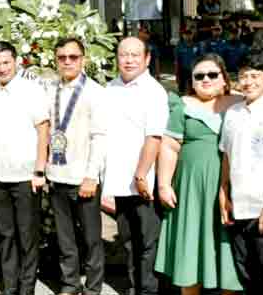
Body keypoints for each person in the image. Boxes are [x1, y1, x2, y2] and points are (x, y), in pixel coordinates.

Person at [154, 54, 243, 293]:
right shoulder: (182, 105)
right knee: (190, 250)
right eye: (199, 76)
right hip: (191, 190)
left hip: (230, 188)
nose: (206, 79)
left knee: (228, 254)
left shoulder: (241, 104)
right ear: (191, 81)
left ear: (224, 79)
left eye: (212, 75)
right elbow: (170, 146)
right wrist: (163, 184)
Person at [0, 41, 50, 295]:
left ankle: (27, 287)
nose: (2, 68)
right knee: (6, 235)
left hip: (27, 177)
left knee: (27, 236)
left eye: (6, 62)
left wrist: (40, 171)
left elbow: (43, 131)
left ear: (16, 61)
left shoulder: (32, 90)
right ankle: (10, 287)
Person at [102, 36, 169, 295]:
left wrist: (142, 175)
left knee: (148, 242)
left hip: (144, 182)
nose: (129, 60)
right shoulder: (111, 89)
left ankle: (149, 290)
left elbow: (154, 136)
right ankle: (133, 287)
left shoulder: (153, 91)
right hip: (119, 181)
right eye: (123, 55)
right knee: (129, 241)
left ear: (147, 58)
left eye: (135, 55)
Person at [218, 51, 263, 295]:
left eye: (255, 76)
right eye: (244, 76)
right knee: (246, 274)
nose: (249, 82)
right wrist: (223, 193)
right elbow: (226, 155)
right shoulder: (233, 114)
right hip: (238, 208)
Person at [45, 37, 107, 295]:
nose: (67, 62)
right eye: (62, 57)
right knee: (65, 239)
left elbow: (100, 136)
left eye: (73, 57)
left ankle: (93, 288)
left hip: (84, 177)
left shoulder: (95, 92)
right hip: (58, 175)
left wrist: (91, 176)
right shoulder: (51, 90)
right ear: (56, 60)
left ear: (83, 59)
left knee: (92, 239)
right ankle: (70, 284)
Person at [174, 25, 200, 94]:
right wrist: (177, 74)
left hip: (194, 71)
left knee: (194, 90)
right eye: (186, 34)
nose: (188, 36)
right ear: (183, 35)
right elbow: (176, 61)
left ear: (192, 35)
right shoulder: (179, 46)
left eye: (189, 34)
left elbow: (200, 59)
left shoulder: (197, 45)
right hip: (183, 71)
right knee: (181, 90)